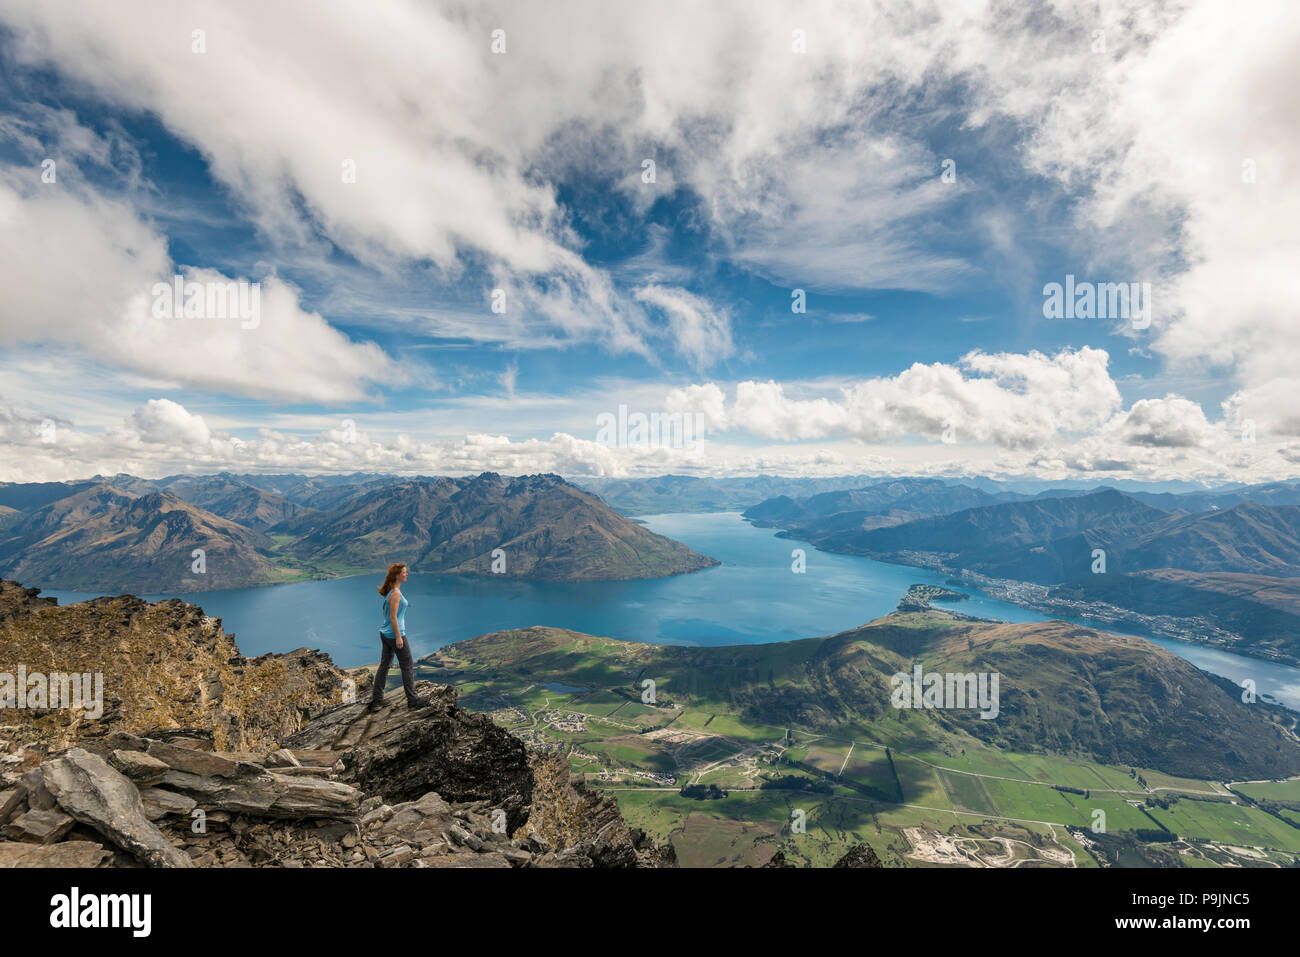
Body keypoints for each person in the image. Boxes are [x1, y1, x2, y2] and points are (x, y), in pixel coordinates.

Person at [368, 562, 429, 710]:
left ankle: (377, 701)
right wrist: (398, 637)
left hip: (385, 633)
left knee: (384, 666)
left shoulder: (390, 592)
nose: (406, 574)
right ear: (397, 575)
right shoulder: (395, 593)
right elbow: (393, 617)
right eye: (404, 572)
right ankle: (412, 700)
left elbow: (385, 613)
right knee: (407, 665)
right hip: (395, 635)